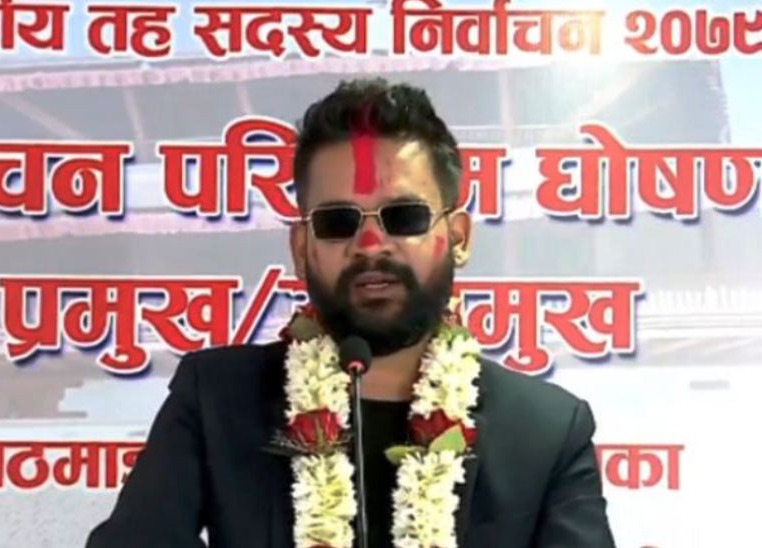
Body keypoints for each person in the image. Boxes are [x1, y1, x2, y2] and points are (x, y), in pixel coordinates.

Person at [86, 79, 615, 548]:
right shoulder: (218, 400)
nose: (370, 243)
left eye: (404, 216)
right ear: (301, 249)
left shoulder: (545, 431)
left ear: (458, 238)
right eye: (338, 221)